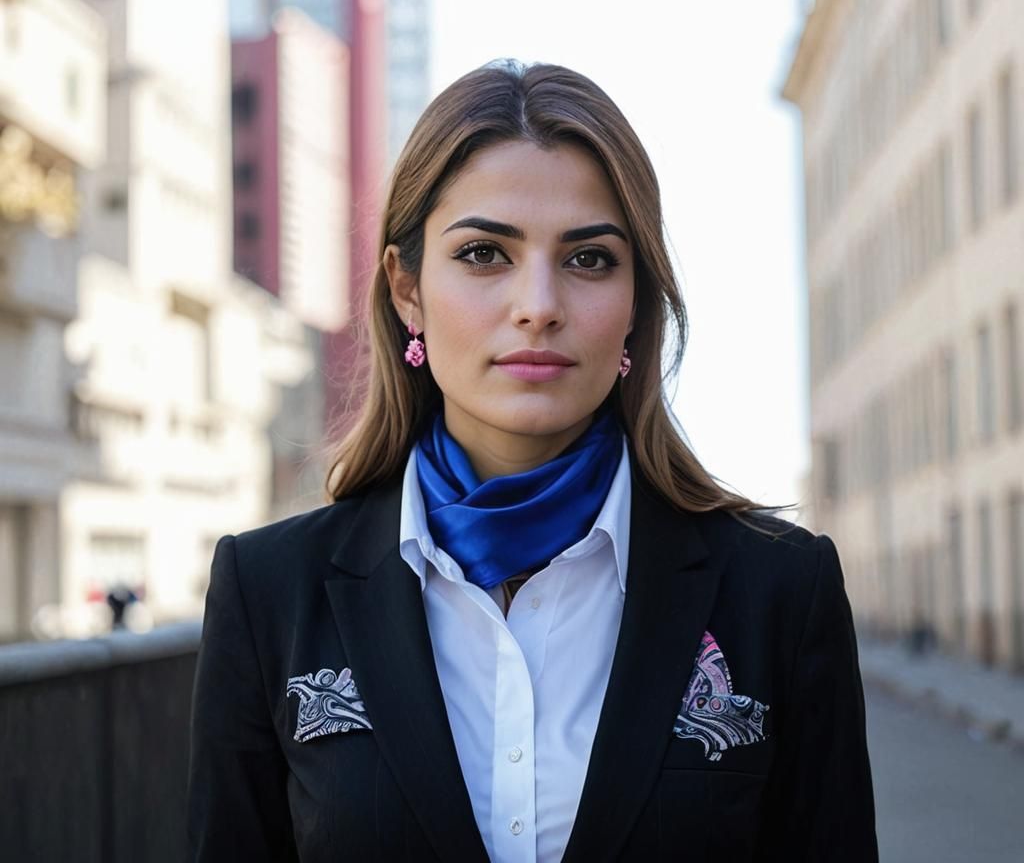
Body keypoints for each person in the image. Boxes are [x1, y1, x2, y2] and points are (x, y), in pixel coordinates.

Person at [187, 60, 878, 862]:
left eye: (589, 259)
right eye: (484, 254)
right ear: (406, 288)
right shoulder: (271, 590)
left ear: (636, 301)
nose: (539, 306)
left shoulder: (781, 591)